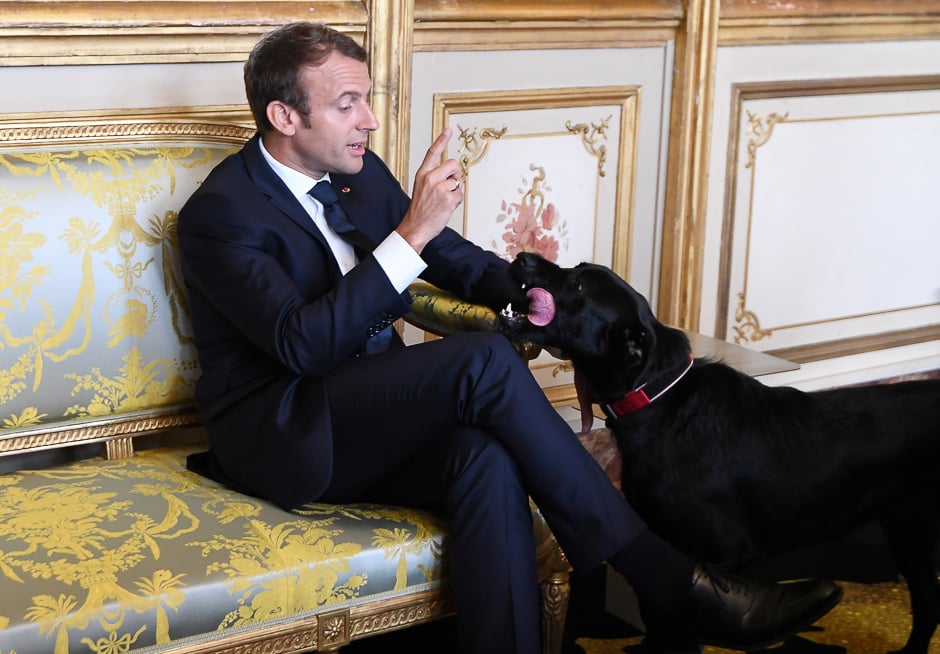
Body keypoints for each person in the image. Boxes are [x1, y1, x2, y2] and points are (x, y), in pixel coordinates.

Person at [177, 21, 842, 654]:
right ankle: (665, 578)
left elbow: (451, 258)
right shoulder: (220, 216)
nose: (370, 121)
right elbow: (304, 346)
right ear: (284, 116)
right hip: (286, 432)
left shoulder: (355, 170)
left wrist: (534, 302)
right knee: (482, 362)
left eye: (367, 100)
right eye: (348, 103)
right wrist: (413, 231)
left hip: (366, 417)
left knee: (483, 461)